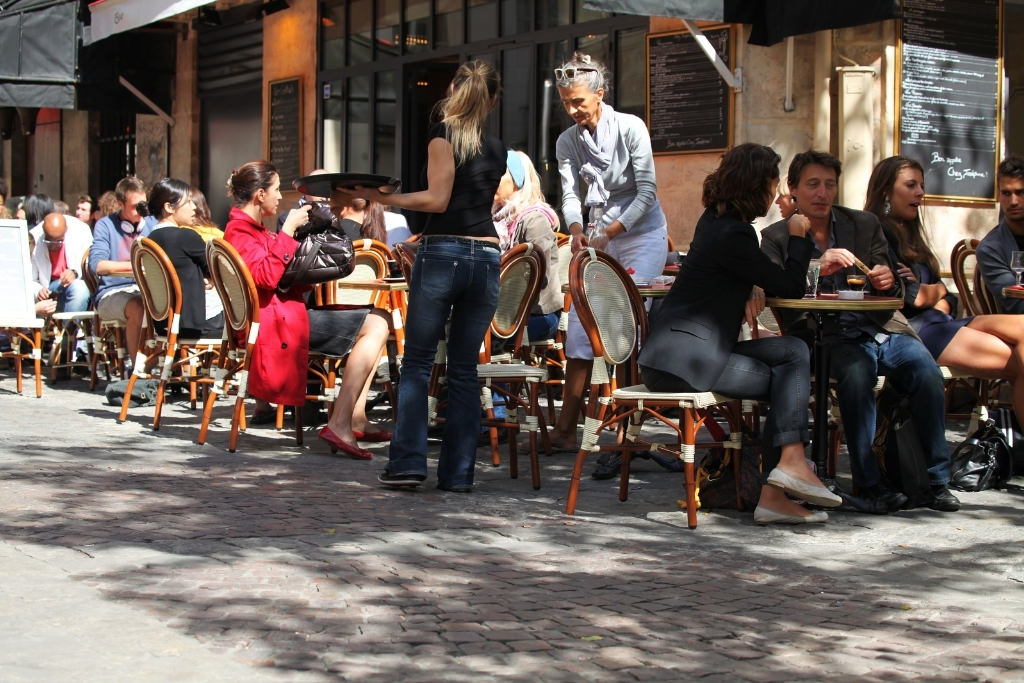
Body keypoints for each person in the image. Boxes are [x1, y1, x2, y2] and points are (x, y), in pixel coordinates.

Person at [640, 144, 842, 523]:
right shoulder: (735, 234)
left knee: (794, 351)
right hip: (685, 362)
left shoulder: (717, 222)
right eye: (772, 182)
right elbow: (789, 285)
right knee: (787, 379)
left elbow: (738, 274)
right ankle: (780, 481)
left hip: (689, 353)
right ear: (757, 185)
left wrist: (749, 285)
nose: (775, 192)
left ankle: (784, 474)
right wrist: (799, 236)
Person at [761, 150, 960, 513]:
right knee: (856, 373)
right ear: (794, 189)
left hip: (880, 328)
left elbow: (896, 291)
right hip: (824, 335)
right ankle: (870, 483)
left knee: (926, 370)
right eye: (813, 185)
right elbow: (776, 291)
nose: (822, 193)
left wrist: (887, 282)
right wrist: (819, 266)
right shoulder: (776, 236)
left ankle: (936, 480)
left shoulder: (864, 224)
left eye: (829, 185)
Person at [344, 60, 505, 492]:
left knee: (417, 362)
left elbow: (437, 198)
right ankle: (457, 476)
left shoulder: (443, 135)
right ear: (492, 99)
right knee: (465, 370)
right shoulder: (498, 147)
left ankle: (409, 464)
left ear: (452, 91)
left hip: (444, 253)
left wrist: (382, 196)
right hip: (487, 257)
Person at [224, 160, 391, 460]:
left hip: (278, 318)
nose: (280, 196)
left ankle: (353, 417)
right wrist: (288, 229)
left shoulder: (245, 229)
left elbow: (279, 278)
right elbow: (266, 276)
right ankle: (342, 421)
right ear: (260, 195)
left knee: (377, 322)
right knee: (377, 323)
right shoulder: (241, 233)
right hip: (276, 326)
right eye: (276, 190)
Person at [548, 52, 669, 456]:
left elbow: (648, 191)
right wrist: (578, 231)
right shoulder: (568, 141)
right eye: (566, 102)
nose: (572, 110)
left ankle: (626, 429)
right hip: (599, 234)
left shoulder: (631, 128)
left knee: (625, 324)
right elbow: (569, 195)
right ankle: (567, 428)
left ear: (600, 95)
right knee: (582, 328)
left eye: (578, 101)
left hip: (642, 235)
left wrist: (611, 232)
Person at [867, 156, 1024, 427]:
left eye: (921, 185)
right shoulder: (877, 233)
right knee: (1019, 363)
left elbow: (946, 297)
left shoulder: (912, 234)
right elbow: (909, 296)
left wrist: (936, 293)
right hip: (916, 332)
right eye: (911, 185)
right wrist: (932, 293)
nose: (920, 192)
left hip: (941, 323)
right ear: (886, 192)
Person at [492, 149, 562, 343]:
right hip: (506, 312)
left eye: (498, 173)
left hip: (536, 316)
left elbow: (540, 275)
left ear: (517, 180)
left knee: (464, 330)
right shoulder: (498, 219)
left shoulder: (534, 220)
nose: (490, 177)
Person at [88, 176, 158, 362]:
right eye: (136, 206)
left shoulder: (152, 223)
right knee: (138, 306)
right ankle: (138, 370)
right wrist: (137, 267)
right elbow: (98, 265)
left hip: (147, 290)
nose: (141, 211)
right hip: (112, 292)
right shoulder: (105, 225)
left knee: (171, 304)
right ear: (120, 203)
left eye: (144, 204)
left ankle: (168, 368)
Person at [145, 178, 224, 339]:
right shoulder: (185, 236)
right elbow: (220, 270)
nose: (194, 207)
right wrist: (211, 278)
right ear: (168, 207)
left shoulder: (150, 239)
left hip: (163, 323)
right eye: (188, 202)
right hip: (198, 323)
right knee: (253, 322)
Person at [977, 156, 1024, 314]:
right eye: (1006, 193)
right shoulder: (990, 249)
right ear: (998, 195)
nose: (1014, 201)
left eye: (1020, 192)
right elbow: (1017, 305)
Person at [30, 212, 92, 315]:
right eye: (49, 242)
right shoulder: (35, 237)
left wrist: (74, 273)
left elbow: (89, 264)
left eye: (59, 241)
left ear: (66, 231)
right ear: (44, 233)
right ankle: (69, 330)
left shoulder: (81, 231)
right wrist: (39, 290)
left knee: (79, 288)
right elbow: (30, 278)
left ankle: (69, 330)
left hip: (76, 285)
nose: (54, 246)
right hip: (48, 289)